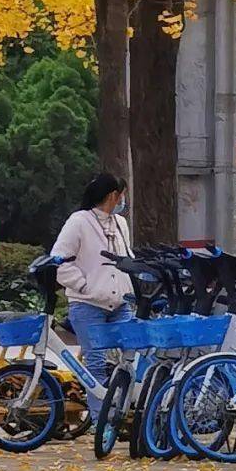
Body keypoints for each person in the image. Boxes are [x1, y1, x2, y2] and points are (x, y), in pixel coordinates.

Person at [51, 172, 133, 412]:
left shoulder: (121, 224)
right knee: (95, 364)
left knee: (129, 359)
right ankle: (100, 420)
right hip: (88, 305)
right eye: (122, 196)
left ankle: (122, 412)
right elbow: (60, 261)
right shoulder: (79, 221)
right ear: (113, 196)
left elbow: (126, 257)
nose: (123, 201)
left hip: (120, 304)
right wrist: (85, 286)